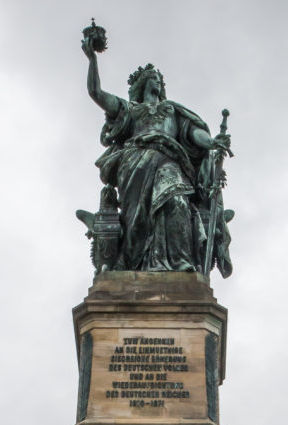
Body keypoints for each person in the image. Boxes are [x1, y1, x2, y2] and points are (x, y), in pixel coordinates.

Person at [82, 38, 232, 275]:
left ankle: (178, 262)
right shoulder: (130, 110)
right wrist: (92, 59)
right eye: (149, 76)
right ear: (140, 86)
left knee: (176, 201)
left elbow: (193, 133)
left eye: (157, 77)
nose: (154, 77)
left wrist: (212, 142)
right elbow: (95, 92)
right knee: (135, 221)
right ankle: (133, 261)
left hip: (169, 160)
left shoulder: (172, 109)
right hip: (135, 163)